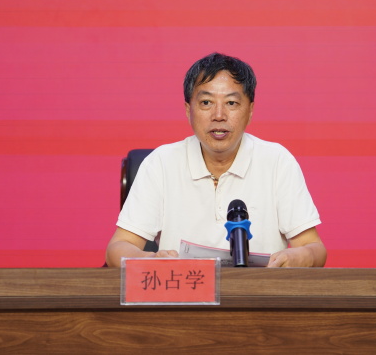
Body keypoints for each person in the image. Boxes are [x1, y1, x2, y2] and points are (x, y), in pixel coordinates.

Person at [106, 53, 326, 267]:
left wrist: (299, 257)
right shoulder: (161, 163)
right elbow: (118, 247)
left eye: (231, 103)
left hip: (259, 290)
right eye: (206, 102)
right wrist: (150, 261)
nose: (219, 115)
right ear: (188, 110)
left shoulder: (277, 162)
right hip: (184, 290)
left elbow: (314, 247)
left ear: (250, 110)